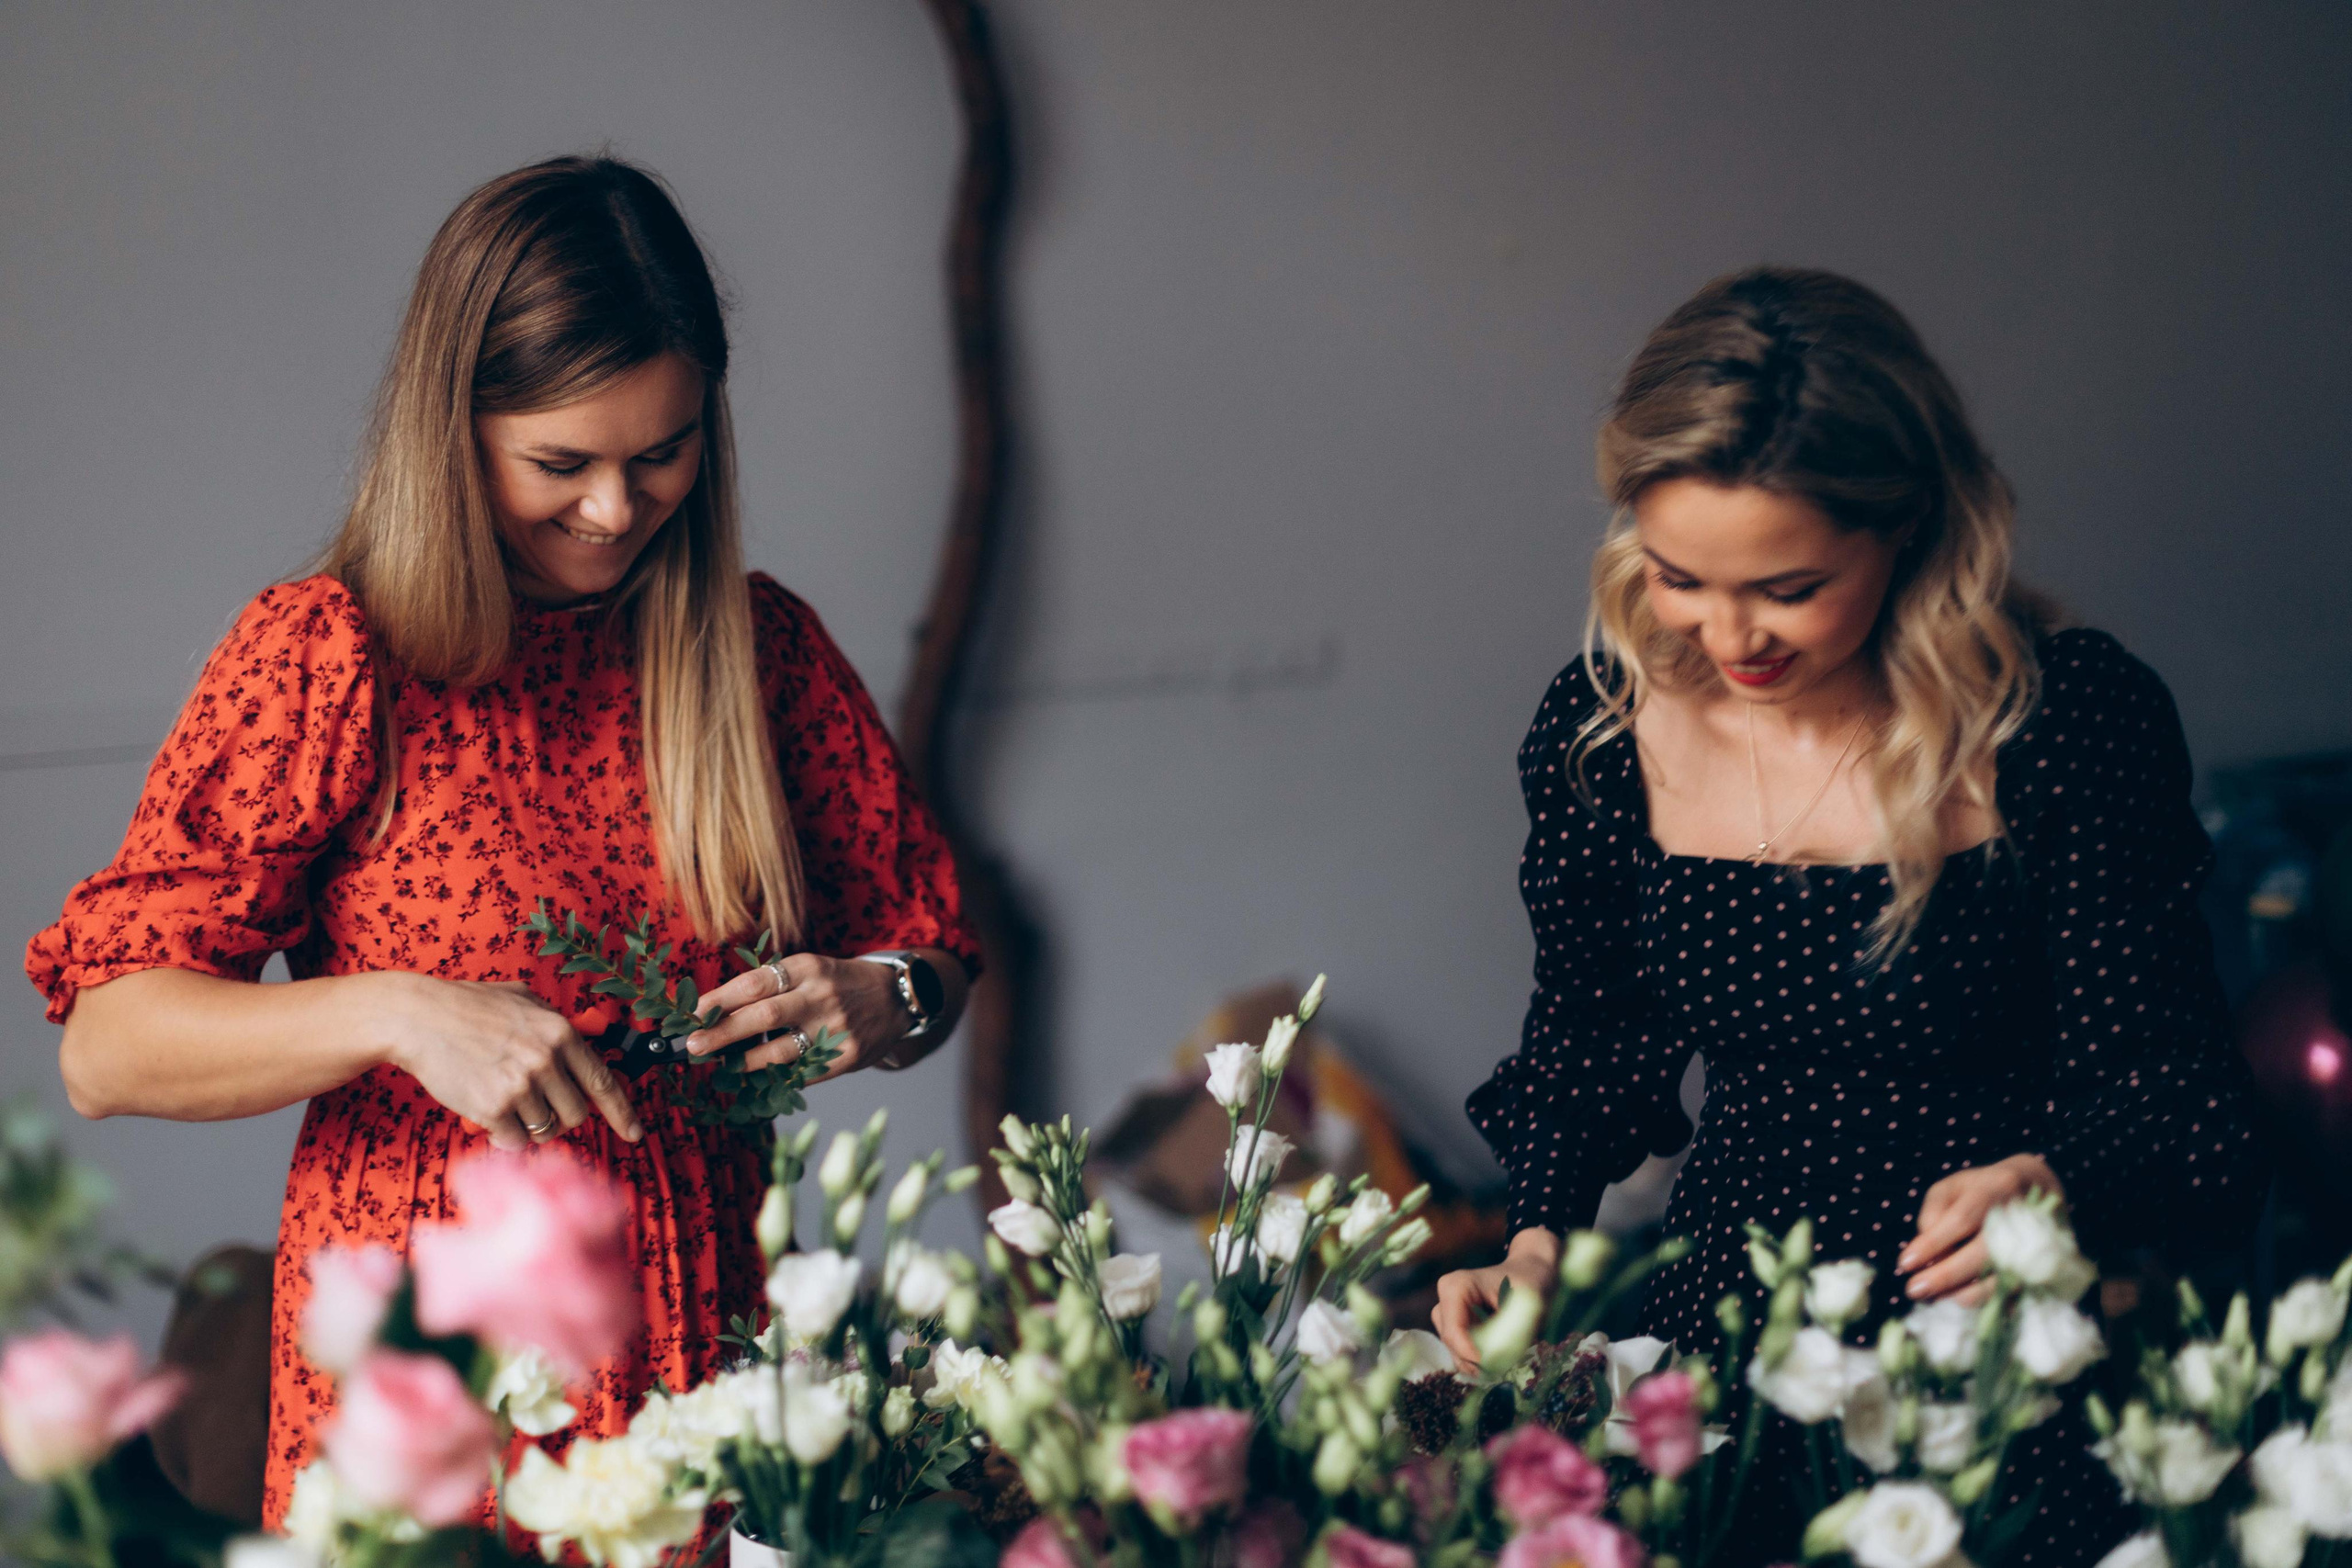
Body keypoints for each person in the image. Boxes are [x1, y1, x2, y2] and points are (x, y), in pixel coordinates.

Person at [25, 155, 977, 1528]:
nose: (614, 508)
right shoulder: (334, 655)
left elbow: (933, 956)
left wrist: (879, 999)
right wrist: (403, 1015)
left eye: (662, 452)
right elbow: (108, 1046)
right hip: (436, 1376)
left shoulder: (753, 650)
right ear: (453, 432)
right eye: (560, 463)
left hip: (712, 1354)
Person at [1435, 266, 2267, 1563]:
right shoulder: (1604, 734)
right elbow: (1591, 1038)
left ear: (1913, 529)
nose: (1729, 638)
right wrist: (1536, 1236)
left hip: (1997, 1353)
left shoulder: (2063, 727)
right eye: (1678, 578)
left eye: (1789, 586)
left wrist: (2059, 1183)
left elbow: (2186, 1102)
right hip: (1731, 1333)